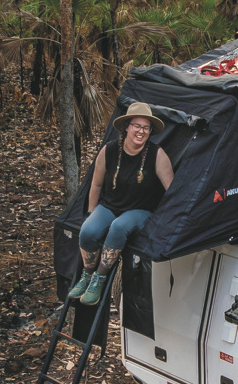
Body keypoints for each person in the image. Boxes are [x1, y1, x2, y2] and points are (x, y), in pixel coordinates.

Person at [69, 101, 174, 302]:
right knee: (88, 231)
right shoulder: (109, 150)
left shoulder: (157, 155)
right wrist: (91, 212)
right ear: (126, 126)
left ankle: (100, 278)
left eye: (146, 128)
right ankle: (87, 274)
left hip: (141, 210)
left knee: (119, 227)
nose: (141, 131)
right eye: (137, 126)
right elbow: (96, 185)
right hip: (110, 206)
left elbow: (172, 191)